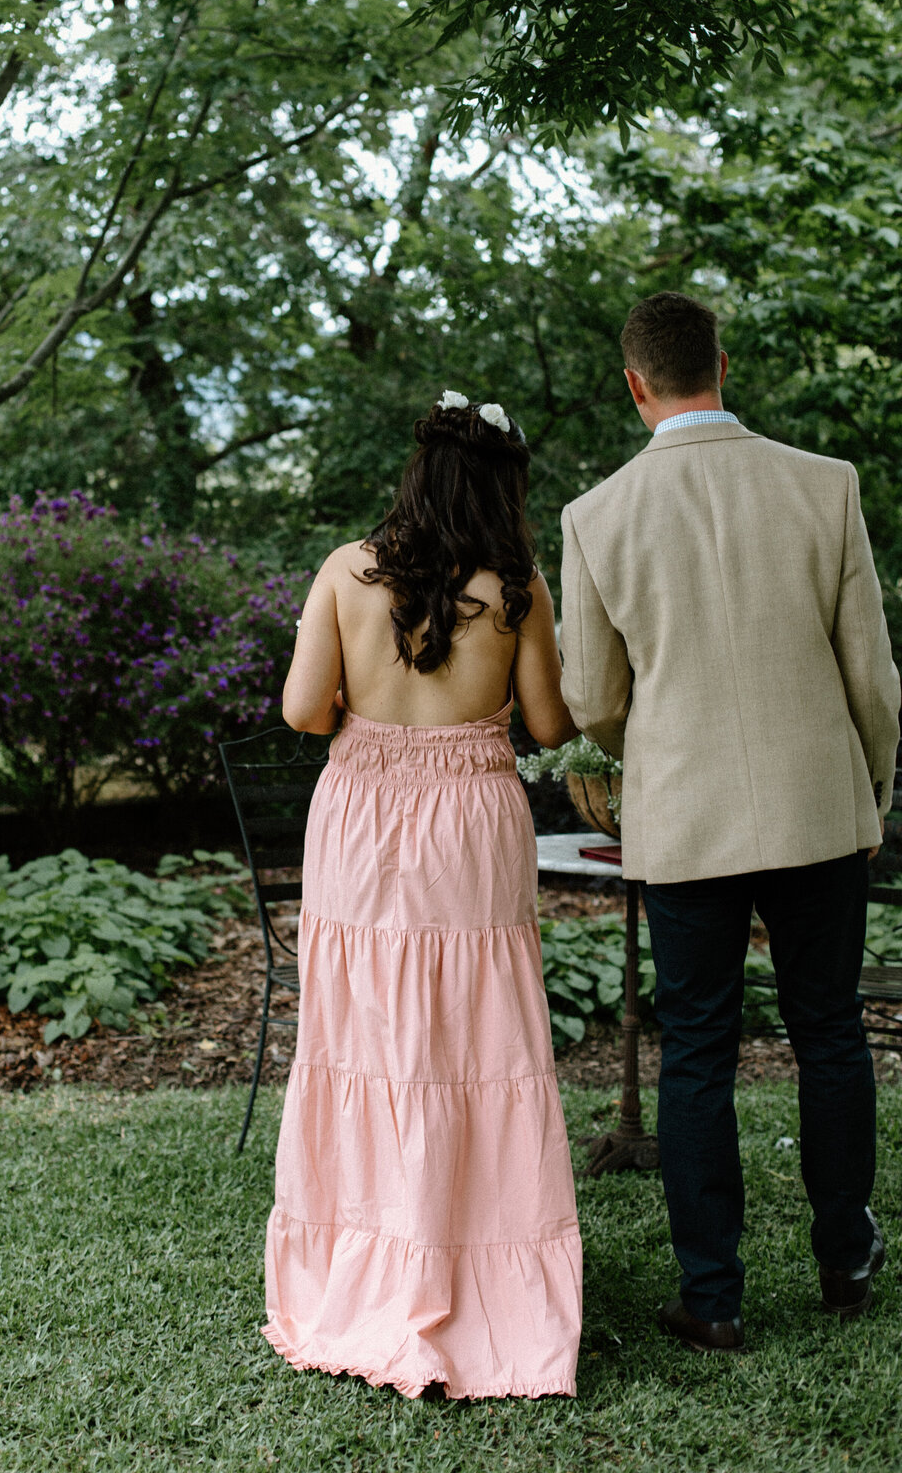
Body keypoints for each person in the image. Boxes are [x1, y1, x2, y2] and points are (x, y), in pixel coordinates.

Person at [559, 289, 900, 1353]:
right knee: (830, 1031)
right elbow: (874, 680)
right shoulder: (825, 485)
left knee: (698, 1049)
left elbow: (590, 697)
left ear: (635, 385)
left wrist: (650, 752)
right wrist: (870, 789)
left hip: (688, 817)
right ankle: (844, 1257)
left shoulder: (597, 515)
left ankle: (713, 1296)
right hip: (818, 808)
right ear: (723, 362)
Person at [263, 392, 583, 1401]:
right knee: (477, 1038)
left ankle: (367, 1263)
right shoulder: (516, 586)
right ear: (500, 488)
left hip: (360, 818)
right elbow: (547, 720)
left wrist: (378, 702)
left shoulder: (344, 573)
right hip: (470, 821)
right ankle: (473, 1271)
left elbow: (304, 712)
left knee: (364, 1036)